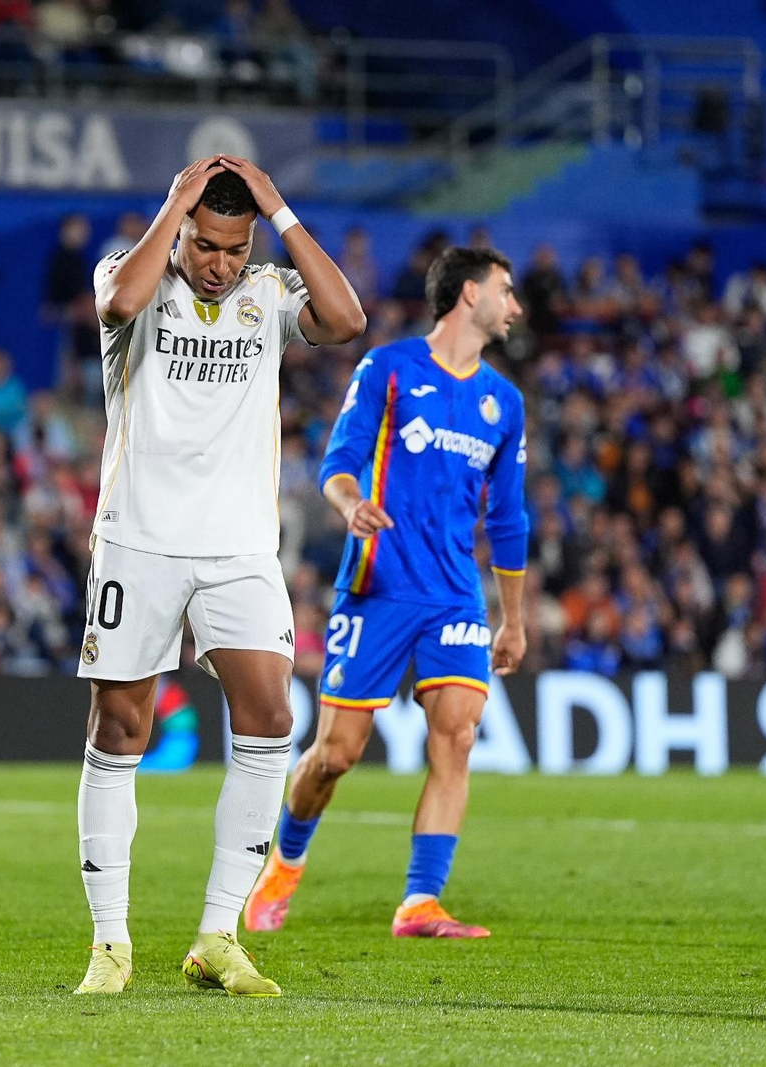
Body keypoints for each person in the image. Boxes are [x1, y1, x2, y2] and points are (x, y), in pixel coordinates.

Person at [72, 156, 364, 997]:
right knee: (120, 725)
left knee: (271, 713)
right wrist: (174, 204)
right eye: (208, 245)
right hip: (140, 538)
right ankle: (111, 941)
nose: (222, 264)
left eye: (236, 248)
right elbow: (120, 301)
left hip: (238, 546)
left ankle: (217, 932)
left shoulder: (267, 292)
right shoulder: (130, 279)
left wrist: (277, 207)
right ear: (184, 230)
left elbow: (346, 318)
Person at [243, 246, 528, 941]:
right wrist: (348, 506)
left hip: (457, 593)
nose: (516, 305)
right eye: (506, 290)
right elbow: (339, 463)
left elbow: (509, 516)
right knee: (337, 751)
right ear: (468, 294)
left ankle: (420, 901)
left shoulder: (505, 401)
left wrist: (512, 619)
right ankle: (284, 861)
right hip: (380, 585)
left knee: (456, 737)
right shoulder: (389, 370)